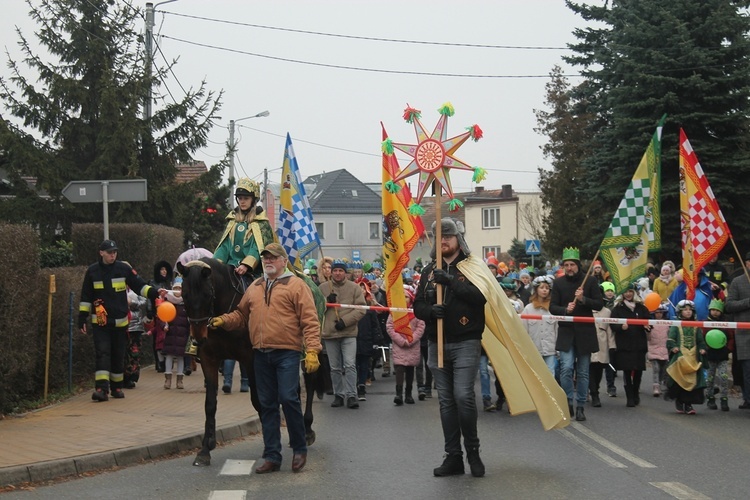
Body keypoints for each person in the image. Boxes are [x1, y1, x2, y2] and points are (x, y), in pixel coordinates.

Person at [208, 243, 322, 473]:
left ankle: (299, 449)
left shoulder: (297, 286)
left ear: (283, 261)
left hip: (287, 352)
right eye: (265, 258)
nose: (268, 261)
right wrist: (224, 320)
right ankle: (272, 455)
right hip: (260, 353)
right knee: (267, 404)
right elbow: (241, 314)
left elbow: (310, 321)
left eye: (273, 257)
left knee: (288, 399)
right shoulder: (256, 286)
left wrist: (312, 350)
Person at [413, 218, 487, 478]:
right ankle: (453, 457)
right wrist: (431, 312)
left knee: (463, 396)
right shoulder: (428, 271)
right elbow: (417, 307)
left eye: (448, 236)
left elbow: (481, 297)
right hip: (437, 343)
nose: (443, 240)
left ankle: (473, 451)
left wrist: (452, 282)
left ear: (458, 239)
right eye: (439, 236)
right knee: (446, 402)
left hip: (466, 340)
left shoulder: (473, 267)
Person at [79, 239, 164, 402]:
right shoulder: (92, 271)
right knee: (102, 354)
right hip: (101, 322)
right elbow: (85, 297)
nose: (113, 255)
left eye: (115, 252)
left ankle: (117, 388)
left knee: (118, 355)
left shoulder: (123, 269)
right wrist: (82, 318)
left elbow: (139, 285)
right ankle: (101, 390)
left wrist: (154, 293)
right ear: (101, 253)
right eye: (110, 252)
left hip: (120, 322)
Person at [549, 247, 603, 422]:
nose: (569, 267)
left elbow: (599, 305)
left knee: (583, 372)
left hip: (585, 333)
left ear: (578, 265)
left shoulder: (591, 281)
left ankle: (580, 406)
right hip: (566, 332)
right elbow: (552, 307)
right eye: (566, 265)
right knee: (565, 369)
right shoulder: (559, 283)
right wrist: (565, 309)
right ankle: (567, 402)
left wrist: (583, 300)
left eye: (572, 264)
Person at [318, 260, 367, 409]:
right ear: (331, 272)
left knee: (350, 364)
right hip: (330, 333)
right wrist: (326, 302)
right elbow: (315, 309)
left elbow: (361, 309)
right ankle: (338, 394)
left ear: (345, 272)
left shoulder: (354, 288)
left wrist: (345, 322)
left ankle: (351, 395)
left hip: (348, 332)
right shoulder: (323, 288)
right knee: (335, 367)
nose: (337, 273)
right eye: (335, 270)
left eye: (340, 270)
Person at [609, 283, 650, 408]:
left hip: (639, 344)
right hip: (625, 345)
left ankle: (636, 392)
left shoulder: (641, 308)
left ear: (634, 293)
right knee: (627, 371)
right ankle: (630, 397)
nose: (628, 294)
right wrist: (621, 327)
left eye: (630, 291)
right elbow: (612, 324)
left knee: (638, 371)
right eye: (625, 292)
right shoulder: (618, 308)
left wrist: (647, 327)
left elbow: (648, 321)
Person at [666, 300, 707, 415]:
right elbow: (671, 339)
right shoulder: (676, 324)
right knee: (679, 380)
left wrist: (702, 348)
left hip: (693, 358)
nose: (688, 312)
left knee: (692, 380)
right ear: (680, 312)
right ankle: (679, 401)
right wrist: (673, 347)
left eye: (690, 310)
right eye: (685, 310)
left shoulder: (696, 325)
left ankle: (688, 404)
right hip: (680, 357)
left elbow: (700, 340)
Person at [386, 288, 425, 405]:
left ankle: (408, 394)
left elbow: (421, 326)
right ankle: (398, 394)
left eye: (406, 297)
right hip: (399, 345)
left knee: (410, 370)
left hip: (412, 345)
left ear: (411, 299)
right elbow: (389, 327)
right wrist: (401, 340)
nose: (404, 299)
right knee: (399, 368)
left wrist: (411, 339)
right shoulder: (395, 312)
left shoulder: (416, 312)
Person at [724, 252, 750, 409]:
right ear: (747, 264)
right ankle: (748, 399)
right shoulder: (737, 282)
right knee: (747, 369)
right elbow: (729, 306)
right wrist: (748, 302)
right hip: (745, 334)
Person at [521, 275, 557, 377]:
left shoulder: (553, 308)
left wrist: (557, 347)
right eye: (542, 288)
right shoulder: (528, 309)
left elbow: (556, 329)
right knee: (536, 375)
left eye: (547, 288)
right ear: (536, 290)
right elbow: (524, 329)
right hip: (534, 348)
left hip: (549, 348)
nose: (544, 290)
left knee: (550, 374)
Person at [589, 282, 615, 407]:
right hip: (589, 342)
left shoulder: (607, 312)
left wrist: (612, 346)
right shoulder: (587, 310)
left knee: (599, 369)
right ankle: (593, 393)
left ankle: (596, 388)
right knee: (589, 368)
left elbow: (609, 330)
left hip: (602, 343)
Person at [704, 300, 734, 411]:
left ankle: (724, 399)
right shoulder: (706, 323)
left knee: (723, 377)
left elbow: (731, 337)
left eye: (717, 310)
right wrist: (704, 349)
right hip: (710, 356)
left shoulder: (726, 324)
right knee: (709, 378)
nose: (715, 312)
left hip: (722, 355)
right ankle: (710, 398)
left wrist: (728, 349)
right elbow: (702, 338)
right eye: (713, 310)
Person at [162, 278, 190, 390]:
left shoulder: (186, 304)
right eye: (175, 288)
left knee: (180, 357)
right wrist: (164, 326)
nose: (177, 291)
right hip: (170, 334)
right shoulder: (168, 303)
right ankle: (168, 379)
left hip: (182, 335)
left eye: (180, 289)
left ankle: (180, 380)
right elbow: (162, 317)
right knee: (168, 356)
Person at [355, 280, 380, 401]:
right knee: (353, 364)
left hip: (366, 339)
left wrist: (376, 341)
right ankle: (354, 384)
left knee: (364, 364)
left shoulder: (370, 307)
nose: (361, 290)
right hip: (353, 338)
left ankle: (361, 386)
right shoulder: (351, 305)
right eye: (359, 288)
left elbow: (375, 325)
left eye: (363, 288)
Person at [124, 287, 148, 389]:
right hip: (122, 326)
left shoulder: (135, 290)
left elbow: (144, 301)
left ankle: (131, 377)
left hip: (136, 327)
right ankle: (121, 377)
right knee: (123, 353)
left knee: (134, 353)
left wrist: (131, 302)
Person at [647, 303, 670, 397]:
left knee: (663, 369)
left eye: (660, 313)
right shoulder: (650, 324)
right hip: (654, 348)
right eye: (656, 313)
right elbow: (648, 338)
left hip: (665, 349)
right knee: (656, 368)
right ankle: (655, 386)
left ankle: (660, 383)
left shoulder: (668, 324)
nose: (658, 314)